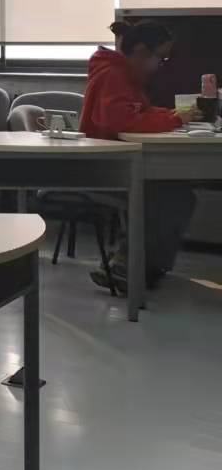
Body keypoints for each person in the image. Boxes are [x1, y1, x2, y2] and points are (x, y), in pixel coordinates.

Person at [81, 19, 198, 293]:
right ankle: (127, 265)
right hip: (105, 168)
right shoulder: (113, 75)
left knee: (179, 193)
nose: (161, 64)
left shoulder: (125, 75)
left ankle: (145, 265)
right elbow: (122, 121)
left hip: (120, 162)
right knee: (162, 194)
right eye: (161, 57)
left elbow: (140, 112)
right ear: (142, 51)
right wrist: (175, 119)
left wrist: (173, 115)